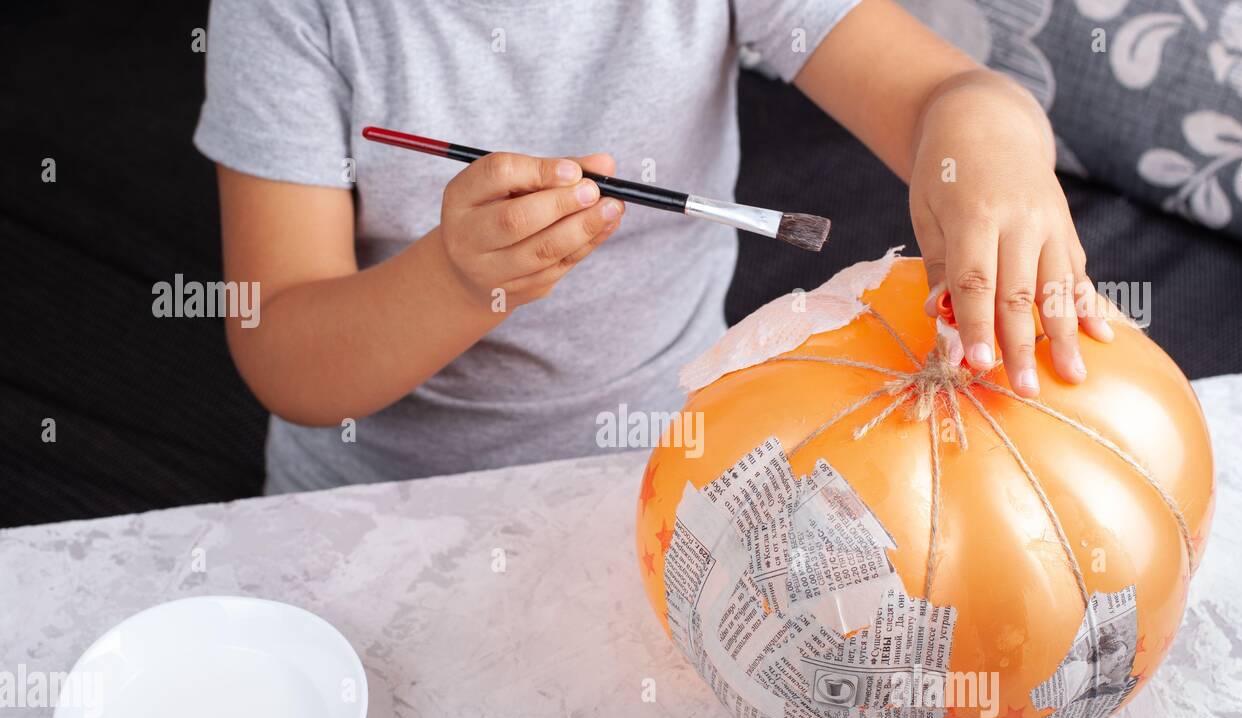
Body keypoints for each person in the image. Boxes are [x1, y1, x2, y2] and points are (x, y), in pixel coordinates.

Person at [195, 0, 1118, 494]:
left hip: (671, 466)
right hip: (381, 504)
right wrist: (456, 277)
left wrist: (988, 134)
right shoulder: (285, 14)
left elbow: (938, 94)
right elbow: (287, 358)